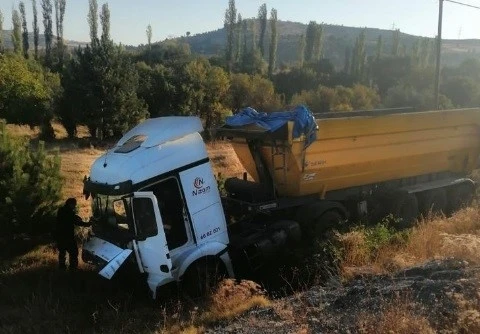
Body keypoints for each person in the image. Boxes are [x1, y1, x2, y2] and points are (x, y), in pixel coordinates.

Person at [55, 198, 90, 270]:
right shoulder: (69, 212)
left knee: (62, 253)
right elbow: (76, 222)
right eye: (74, 204)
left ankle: (62, 268)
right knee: (74, 253)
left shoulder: (61, 210)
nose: (75, 206)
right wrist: (87, 224)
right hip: (68, 236)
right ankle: (73, 269)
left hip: (59, 236)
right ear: (70, 204)